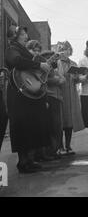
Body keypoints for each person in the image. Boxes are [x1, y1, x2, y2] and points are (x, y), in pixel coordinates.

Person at [5, 26, 51, 173]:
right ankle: (23, 162)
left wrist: (47, 65)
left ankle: (29, 160)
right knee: (22, 127)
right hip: (18, 94)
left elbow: (33, 70)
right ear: (16, 36)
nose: (26, 36)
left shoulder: (26, 52)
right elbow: (16, 61)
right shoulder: (12, 49)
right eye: (23, 33)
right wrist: (38, 64)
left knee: (31, 126)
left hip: (28, 95)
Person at [57, 41, 84, 155]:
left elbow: (77, 79)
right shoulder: (57, 62)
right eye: (63, 49)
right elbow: (57, 76)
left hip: (71, 94)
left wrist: (78, 76)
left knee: (69, 122)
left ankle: (68, 145)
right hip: (61, 93)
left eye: (68, 49)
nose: (66, 51)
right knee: (61, 120)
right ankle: (60, 146)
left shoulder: (73, 63)